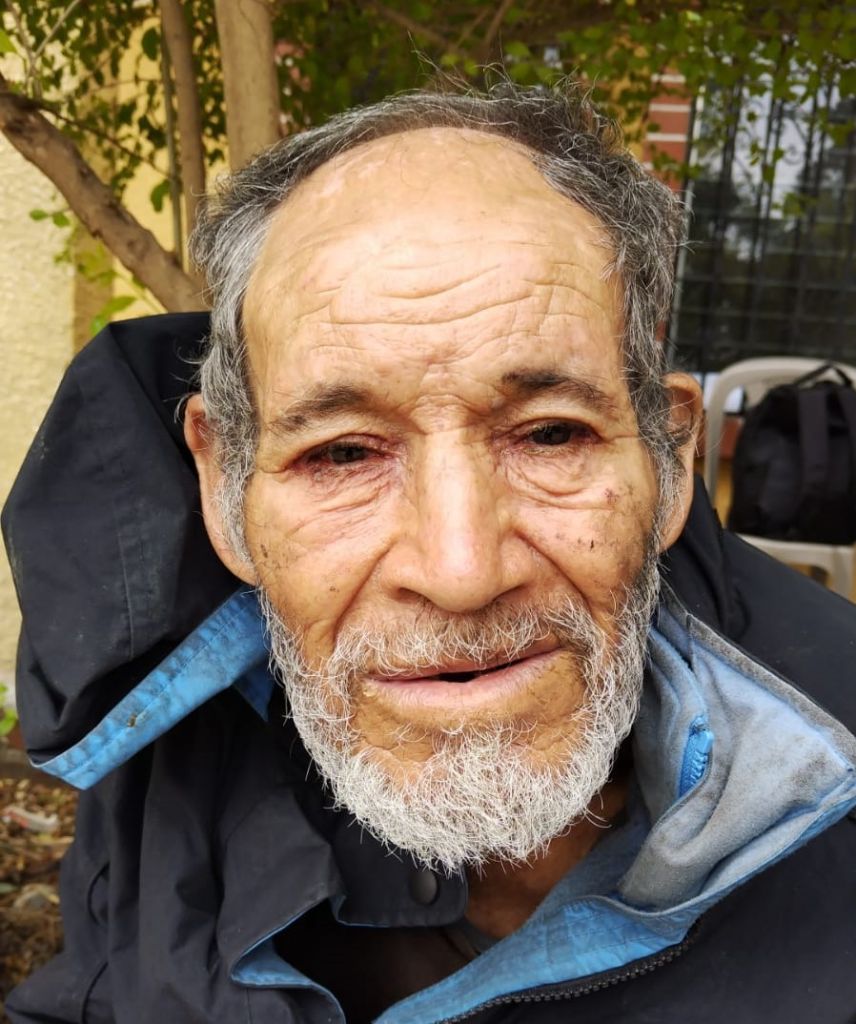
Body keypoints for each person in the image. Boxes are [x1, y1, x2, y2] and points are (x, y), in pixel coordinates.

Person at [4, 82, 856, 1024]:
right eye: (342, 454)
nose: (460, 573)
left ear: (668, 458)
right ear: (224, 491)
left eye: (550, 435)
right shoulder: (163, 726)